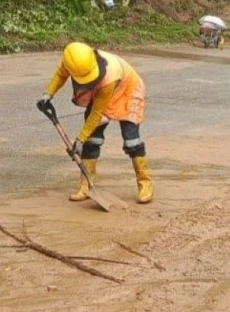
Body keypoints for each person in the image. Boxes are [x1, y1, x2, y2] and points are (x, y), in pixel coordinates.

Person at [36, 42, 153, 204]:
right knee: (93, 140)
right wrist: (47, 94)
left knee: (131, 140)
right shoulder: (73, 61)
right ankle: (86, 185)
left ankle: (145, 184)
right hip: (101, 90)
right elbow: (61, 75)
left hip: (127, 89)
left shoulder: (110, 74)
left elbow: (97, 113)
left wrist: (79, 140)